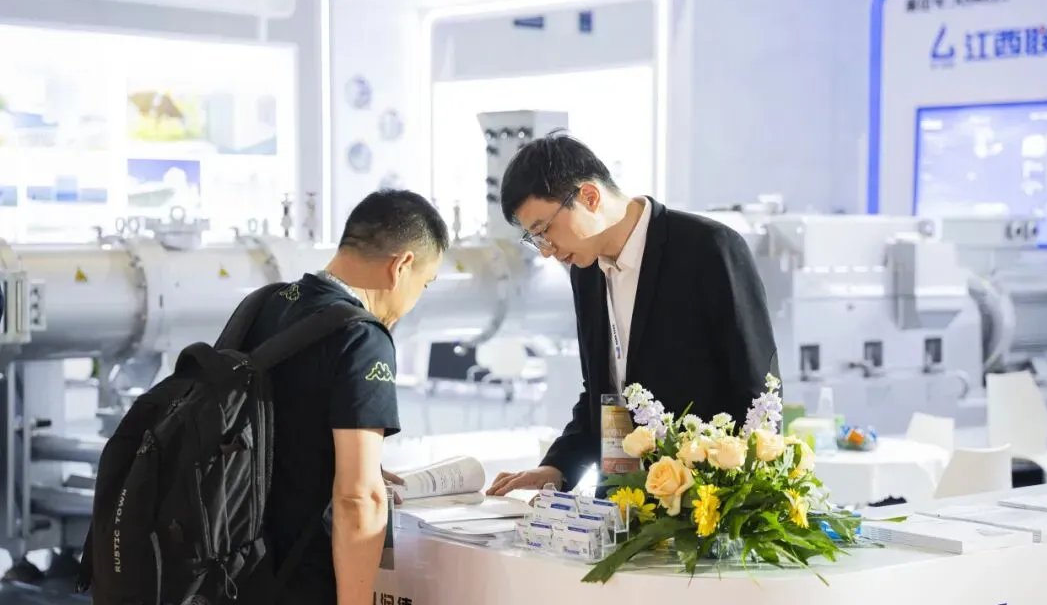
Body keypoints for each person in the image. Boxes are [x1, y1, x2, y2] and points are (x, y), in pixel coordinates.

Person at [486, 133, 779, 497]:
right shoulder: (585, 272)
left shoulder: (708, 249)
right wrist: (558, 467)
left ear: (589, 197)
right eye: (535, 239)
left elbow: (758, 392)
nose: (546, 250)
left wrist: (743, 504)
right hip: (622, 500)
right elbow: (604, 392)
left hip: (705, 503)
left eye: (544, 230)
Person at [242, 189, 449, 604]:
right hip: (295, 579)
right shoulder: (362, 338)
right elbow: (358, 498)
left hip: (228, 569)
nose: (414, 300)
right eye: (424, 284)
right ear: (401, 266)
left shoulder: (264, 304)